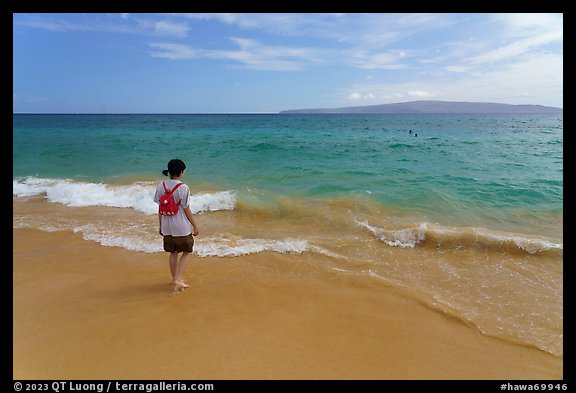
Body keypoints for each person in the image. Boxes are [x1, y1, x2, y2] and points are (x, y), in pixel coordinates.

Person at [153, 159, 200, 289]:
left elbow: (160, 209)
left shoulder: (161, 186)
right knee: (187, 250)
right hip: (181, 226)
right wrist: (195, 225)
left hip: (167, 225)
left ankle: (174, 278)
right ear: (180, 172)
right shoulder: (183, 187)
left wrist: (161, 225)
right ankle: (178, 279)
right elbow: (186, 209)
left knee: (173, 252)